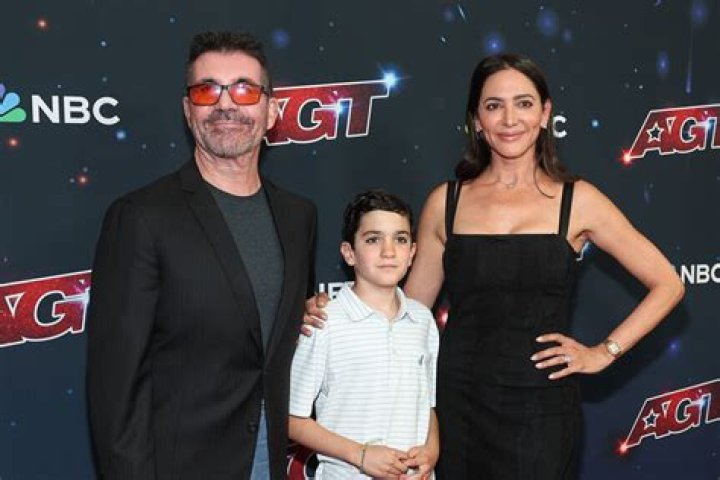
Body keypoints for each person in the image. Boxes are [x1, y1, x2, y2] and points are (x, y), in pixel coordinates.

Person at [304, 53, 684, 479]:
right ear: (477, 121)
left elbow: (668, 284)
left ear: (545, 114)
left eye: (523, 103)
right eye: (493, 105)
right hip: (459, 404)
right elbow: (408, 312)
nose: (509, 119)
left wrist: (603, 352)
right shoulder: (445, 203)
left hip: (542, 409)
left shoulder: (578, 201)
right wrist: (334, 312)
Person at [86, 31, 316, 480]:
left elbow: (276, 329)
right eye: (207, 90)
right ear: (188, 110)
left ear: (272, 111)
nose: (225, 104)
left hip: (268, 461)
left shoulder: (298, 216)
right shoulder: (140, 217)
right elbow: (116, 388)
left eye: (244, 89)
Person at [289, 190, 440, 479]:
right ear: (349, 253)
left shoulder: (422, 320)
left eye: (400, 239)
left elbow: (428, 405)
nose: (388, 251)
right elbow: (292, 419)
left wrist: (431, 450)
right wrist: (360, 455)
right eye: (373, 239)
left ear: (412, 253)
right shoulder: (324, 321)